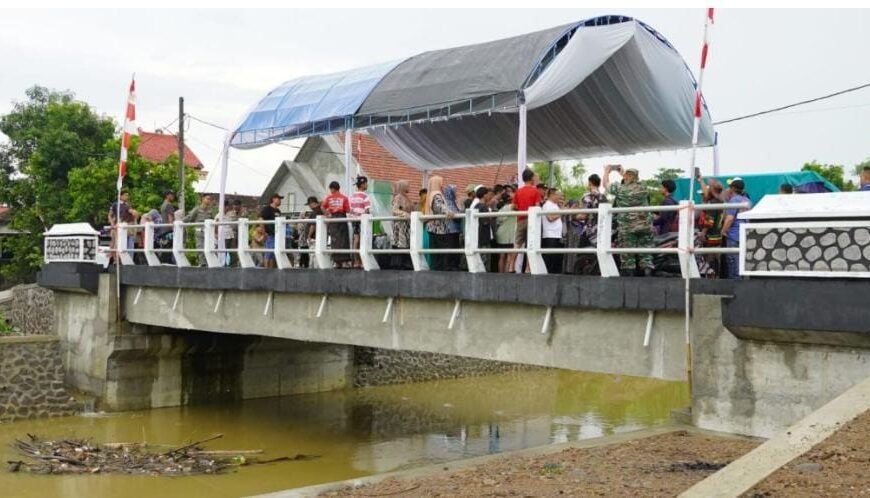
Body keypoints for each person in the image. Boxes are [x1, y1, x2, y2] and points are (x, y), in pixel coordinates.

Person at [603, 164, 654, 276]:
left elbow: (606, 184)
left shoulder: (620, 189)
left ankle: (629, 277)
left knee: (627, 255)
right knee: (646, 253)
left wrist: (607, 171)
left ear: (626, 177)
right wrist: (624, 174)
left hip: (627, 227)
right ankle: (647, 275)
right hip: (644, 225)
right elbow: (633, 181)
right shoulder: (644, 187)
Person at [512, 169, 543, 273]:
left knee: (517, 244)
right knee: (531, 244)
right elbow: (537, 206)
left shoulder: (518, 191)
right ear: (531, 178)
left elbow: (513, 207)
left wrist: (521, 209)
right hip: (531, 221)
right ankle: (528, 268)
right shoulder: (535, 191)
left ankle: (511, 266)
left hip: (520, 219)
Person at [720, 179, 752, 279]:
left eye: (729, 187)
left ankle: (735, 283)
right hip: (745, 233)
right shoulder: (747, 200)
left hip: (734, 234)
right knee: (742, 260)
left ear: (733, 188)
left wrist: (723, 230)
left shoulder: (734, 200)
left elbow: (730, 218)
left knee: (733, 260)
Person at [322, 181, 352, 269]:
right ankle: (345, 261)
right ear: (338, 188)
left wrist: (328, 214)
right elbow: (348, 210)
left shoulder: (328, 198)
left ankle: (336, 261)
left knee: (334, 239)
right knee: (343, 239)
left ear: (332, 188)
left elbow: (322, 207)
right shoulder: (344, 198)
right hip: (342, 218)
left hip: (333, 219)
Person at [425, 175, 452, 271]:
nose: (442, 185)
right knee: (441, 251)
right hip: (438, 228)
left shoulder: (431, 194)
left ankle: (436, 268)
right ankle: (440, 270)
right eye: (441, 182)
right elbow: (438, 207)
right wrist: (448, 212)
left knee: (436, 251)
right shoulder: (436, 194)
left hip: (433, 227)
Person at [183, 195, 214, 266]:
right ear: (203, 199)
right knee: (200, 247)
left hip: (208, 232)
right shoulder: (197, 209)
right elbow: (190, 217)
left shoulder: (210, 210)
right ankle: (202, 263)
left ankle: (207, 263)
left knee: (209, 248)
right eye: (207, 199)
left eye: (210, 199)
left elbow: (212, 220)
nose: (209, 200)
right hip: (199, 231)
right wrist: (180, 223)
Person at [349, 175, 371, 269]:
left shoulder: (352, 196)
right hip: (362, 221)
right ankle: (362, 261)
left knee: (355, 240)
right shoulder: (365, 196)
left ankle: (355, 261)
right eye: (366, 183)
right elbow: (367, 210)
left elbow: (350, 209)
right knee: (362, 240)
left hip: (354, 220)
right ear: (362, 184)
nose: (367, 185)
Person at [391, 180, 413, 270]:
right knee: (401, 242)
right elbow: (395, 210)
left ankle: (406, 263)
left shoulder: (407, 198)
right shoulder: (398, 197)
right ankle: (399, 263)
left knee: (407, 242)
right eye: (408, 185)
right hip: (400, 224)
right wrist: (404, 214)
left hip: (407, 224)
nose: (409, 187)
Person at [541, 188, 564, 274]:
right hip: (550, 235)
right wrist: (562, 212)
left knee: (556, 258)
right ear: (552, 195)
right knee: (549, 258)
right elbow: (550, 218)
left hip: (557, 235)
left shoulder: (556, 205)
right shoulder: (547, 205)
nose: (559, 197)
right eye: (558, 195)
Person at [494, 186, 516, 273]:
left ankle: (501, 273)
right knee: (510, 256)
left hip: (501, 234)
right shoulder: (511, 207)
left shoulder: (501, 209)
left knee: (502, 256)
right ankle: (507, 274)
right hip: (509, 235)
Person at [258, 194, 283, 269]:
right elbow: (260, 220)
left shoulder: (278, 211)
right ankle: (267, 271)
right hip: (270, 234)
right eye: (278, 199)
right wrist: (264, 233)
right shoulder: (267, 209)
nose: (280, 201)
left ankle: (271, 271)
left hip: (277, 235)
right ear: (273, 199)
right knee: (269, 253)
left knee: (272, 254)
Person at [473, 185, 494, 270]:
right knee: (485, 260)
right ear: (484, 195)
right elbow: (486, 221)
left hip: (477, 236)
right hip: (484, 237)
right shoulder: (483, 207)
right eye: (488, 194)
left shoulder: (476, 206)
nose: (489, 196)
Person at [443, 184, 463, 271]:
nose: (456, 193)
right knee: (451, 246)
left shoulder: (453, 202)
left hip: (456, 229)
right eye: (454, 191)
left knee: (455, 246)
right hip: (450, 229)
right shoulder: (447, 202)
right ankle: (449, 266)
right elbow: (454, 214)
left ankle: (454, 265)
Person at [297, 196, 321, 269]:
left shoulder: (315, 212)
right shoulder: (320, 210)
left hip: (314, 237)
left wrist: (309, 235)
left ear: (312, 203)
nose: (309, 206)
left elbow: (313, 225)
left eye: (309, 204)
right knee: (317, 253)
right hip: (319, 236)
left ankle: (314, 268)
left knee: (313, 254)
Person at [223, 200, 242, 267]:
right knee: (224, 251)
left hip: (235, 235)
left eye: (237, 205)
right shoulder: (226, 214)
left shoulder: (241, 214)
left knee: (234, 252)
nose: (235, 207)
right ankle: (224, 264)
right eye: (234, 205)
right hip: (226, 235)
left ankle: (233, 265)